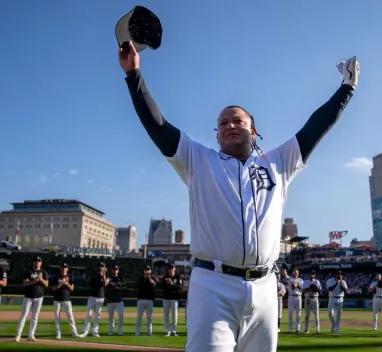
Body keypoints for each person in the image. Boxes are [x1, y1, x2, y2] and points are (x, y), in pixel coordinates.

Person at [119, 40, 359, 351]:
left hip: (265, 288)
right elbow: (158, 125)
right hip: (213, 285)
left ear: (254, 132)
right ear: (216, 134)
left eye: (238, 121)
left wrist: (347, 89)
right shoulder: (197, 160)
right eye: (223, 123)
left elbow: (316, 126)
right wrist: (133, 75)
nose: (230, 125)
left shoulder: (279, 162)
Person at [15, 256, 49, 342]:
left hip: (39, 297)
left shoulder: (44, 272)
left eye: (39, 261)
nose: (37, 263)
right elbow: (25, 282)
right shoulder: (29, 271)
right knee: (23, 316)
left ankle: (31, 334)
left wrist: (40, 279)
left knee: (35, 317)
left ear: (41, 263)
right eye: (36, 261)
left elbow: (46, 284)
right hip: (28, 296)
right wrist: (35, 281)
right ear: (33, 262)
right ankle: (18, 335)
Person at [50, 262, 81, 339]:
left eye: (65, 267)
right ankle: (58, 333)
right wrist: (60, 284)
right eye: (62, 267)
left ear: (67, 269)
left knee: (70, 316)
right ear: (60, 268)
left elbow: (72, 288)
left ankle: (74, 333)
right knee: (57, 317)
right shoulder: (56, 277)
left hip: (67, 299)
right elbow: (53, 288)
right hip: (57, 299)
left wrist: (66, 283)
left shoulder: (70, 276)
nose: (64, 269)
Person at [82, 262, 109, 337]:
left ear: (104, 267)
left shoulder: (106, 275)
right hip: (92, 297)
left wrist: (103, 275)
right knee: (89, 314)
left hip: (100, 297)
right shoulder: (93, 274)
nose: (100, 268)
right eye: (100, 266)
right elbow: (91, 281)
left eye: (102, 267)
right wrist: (100, 274)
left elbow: (105, 284)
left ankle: (95, 331)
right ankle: (86, 331)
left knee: (97, 315)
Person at [135, 265, 157, 336]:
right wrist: (145, 277)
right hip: (141, 300)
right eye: (146, 270)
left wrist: (149, 278)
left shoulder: (153, 278)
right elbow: (139, 283)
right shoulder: (140, 277)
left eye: (148, 270)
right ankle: (137, 332)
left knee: (149, 317)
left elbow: (153, 284)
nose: (147, 271)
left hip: (150, 300)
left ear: (150, 271)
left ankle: (149, 331)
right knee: (139, 317)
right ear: (144, 270)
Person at [161, 264, 182, 336]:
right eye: (169, 269)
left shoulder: (177, 277)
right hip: (166, 298)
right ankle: (167, 331)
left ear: (174, 269)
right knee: (166, 315)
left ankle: (174, 331)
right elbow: (162, 286)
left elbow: (179, 287)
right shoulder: (165, 277)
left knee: (174, 316)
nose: (171, 270)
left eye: (172, 268)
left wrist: (172, 284)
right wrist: (167, 283)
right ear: (168, 270)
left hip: (174, 299)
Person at [106, 264, 126, 336]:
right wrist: (113, 288)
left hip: (119, 300)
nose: (115, 271)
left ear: (118, 270)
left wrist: (118, 288)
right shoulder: (109, 278)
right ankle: (111, 330)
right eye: (114, 269)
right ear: (112, 270)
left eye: (116, 269)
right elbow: (106, 287)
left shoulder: (121, 278)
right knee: (111, 317)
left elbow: (125, 287)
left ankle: (119, 330)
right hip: (110, 300)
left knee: (121, 315)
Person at [287, 269, 303, 333]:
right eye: (295, 272)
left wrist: (297, 285)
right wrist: (284, 269)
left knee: (298, 313)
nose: (296, 274)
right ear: (293, 273)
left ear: (298, 274)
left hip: (298, 296)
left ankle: (297, 328)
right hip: (291, 296)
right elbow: (285, 275)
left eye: (297, 273)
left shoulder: (301, 280)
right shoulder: (290, 279)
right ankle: (290, 328)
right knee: (290, 313)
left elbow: (302, 288)